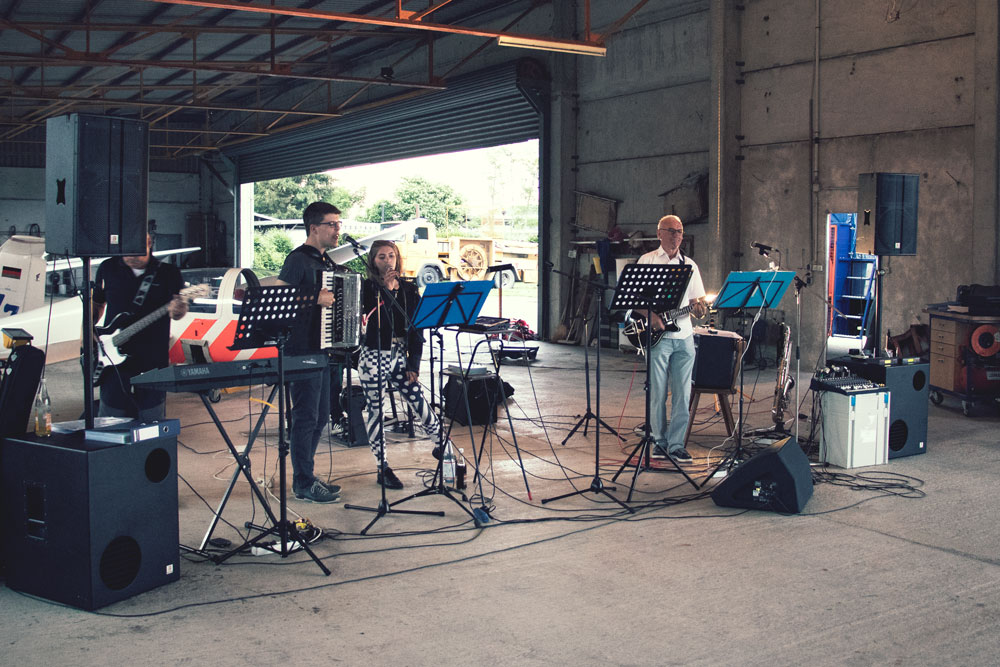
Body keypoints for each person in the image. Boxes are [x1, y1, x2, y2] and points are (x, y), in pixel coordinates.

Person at [357, 240, 451, 490]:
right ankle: (382, 467)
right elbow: (370, 320)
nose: (388, 261)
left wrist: (414, 364)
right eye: (381, 257)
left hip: (400, 354)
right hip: (374, 355)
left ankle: (443, 447)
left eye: (391, 256)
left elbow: (416, 328)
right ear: (373, 262)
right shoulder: (367, 288)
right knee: (376, 410)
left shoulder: (409, 290)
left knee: (418, 400)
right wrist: (386, 289)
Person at [276, 201, 346, 504]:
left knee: (319, 419)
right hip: (301, 349)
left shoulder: (326, 261)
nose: (337, 230)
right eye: (332, 224)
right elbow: (280, 298)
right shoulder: (298, 260)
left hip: (324, 348)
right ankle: (302, 483)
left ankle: (307, 475)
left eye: (339, 224)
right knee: (305, 418)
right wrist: (312, 296)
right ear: (314, 227)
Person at [92, 232, 188, 423]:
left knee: (151, 421)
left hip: (152, 360)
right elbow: (97, 305)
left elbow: (178, 313)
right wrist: (86, 335)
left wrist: (179, 308)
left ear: (149, 243)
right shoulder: (108, 268)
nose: (130, 257)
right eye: (125, 251)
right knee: (111, 421)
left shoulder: (169, 273)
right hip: (112, 358)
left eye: (135, 251)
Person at [635, 214, 708, 463]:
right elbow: (634, 301)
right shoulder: (647, 261)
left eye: (680, 231)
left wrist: (699, 309)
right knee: (657, 391)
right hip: (658, 337)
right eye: (671, 231)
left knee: (682, 392)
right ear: (659, 234)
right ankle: (658, 441)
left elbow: (696, 303)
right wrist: (651, 316)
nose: (677, 235)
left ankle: (677, 444)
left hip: (685, 335)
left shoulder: (690, 265)